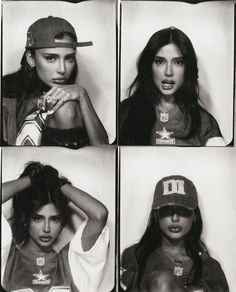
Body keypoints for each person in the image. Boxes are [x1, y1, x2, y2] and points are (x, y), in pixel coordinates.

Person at [2, 16, 108, 148]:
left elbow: (104, 153)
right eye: (51, 58)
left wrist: (82, 95)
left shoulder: (69, 102)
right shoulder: (6, 97)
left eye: (69, 58)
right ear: (31, 59)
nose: (62, 69)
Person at [1, 162, 109, 292]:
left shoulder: (71, 263)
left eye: (54, 219)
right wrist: (31, 179)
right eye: (37, 218)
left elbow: (99, 215)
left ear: (61, 223)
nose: (46, 228)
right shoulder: (7, 260)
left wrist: (58, 184)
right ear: (25, 219)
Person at [120, 175, 229, 292]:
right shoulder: (134, 257)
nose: (175, 218)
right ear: (156, 215)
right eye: (167, 210)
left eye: (183, 211)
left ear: (194, 216)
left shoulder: (210, 268)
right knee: (162, 280)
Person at [119, 27, 225, 146]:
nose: (168, 72)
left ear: (187, 67)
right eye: (160, 61)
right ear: (149, 66)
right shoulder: (125, 112)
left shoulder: (204, 123)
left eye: (178, 62)